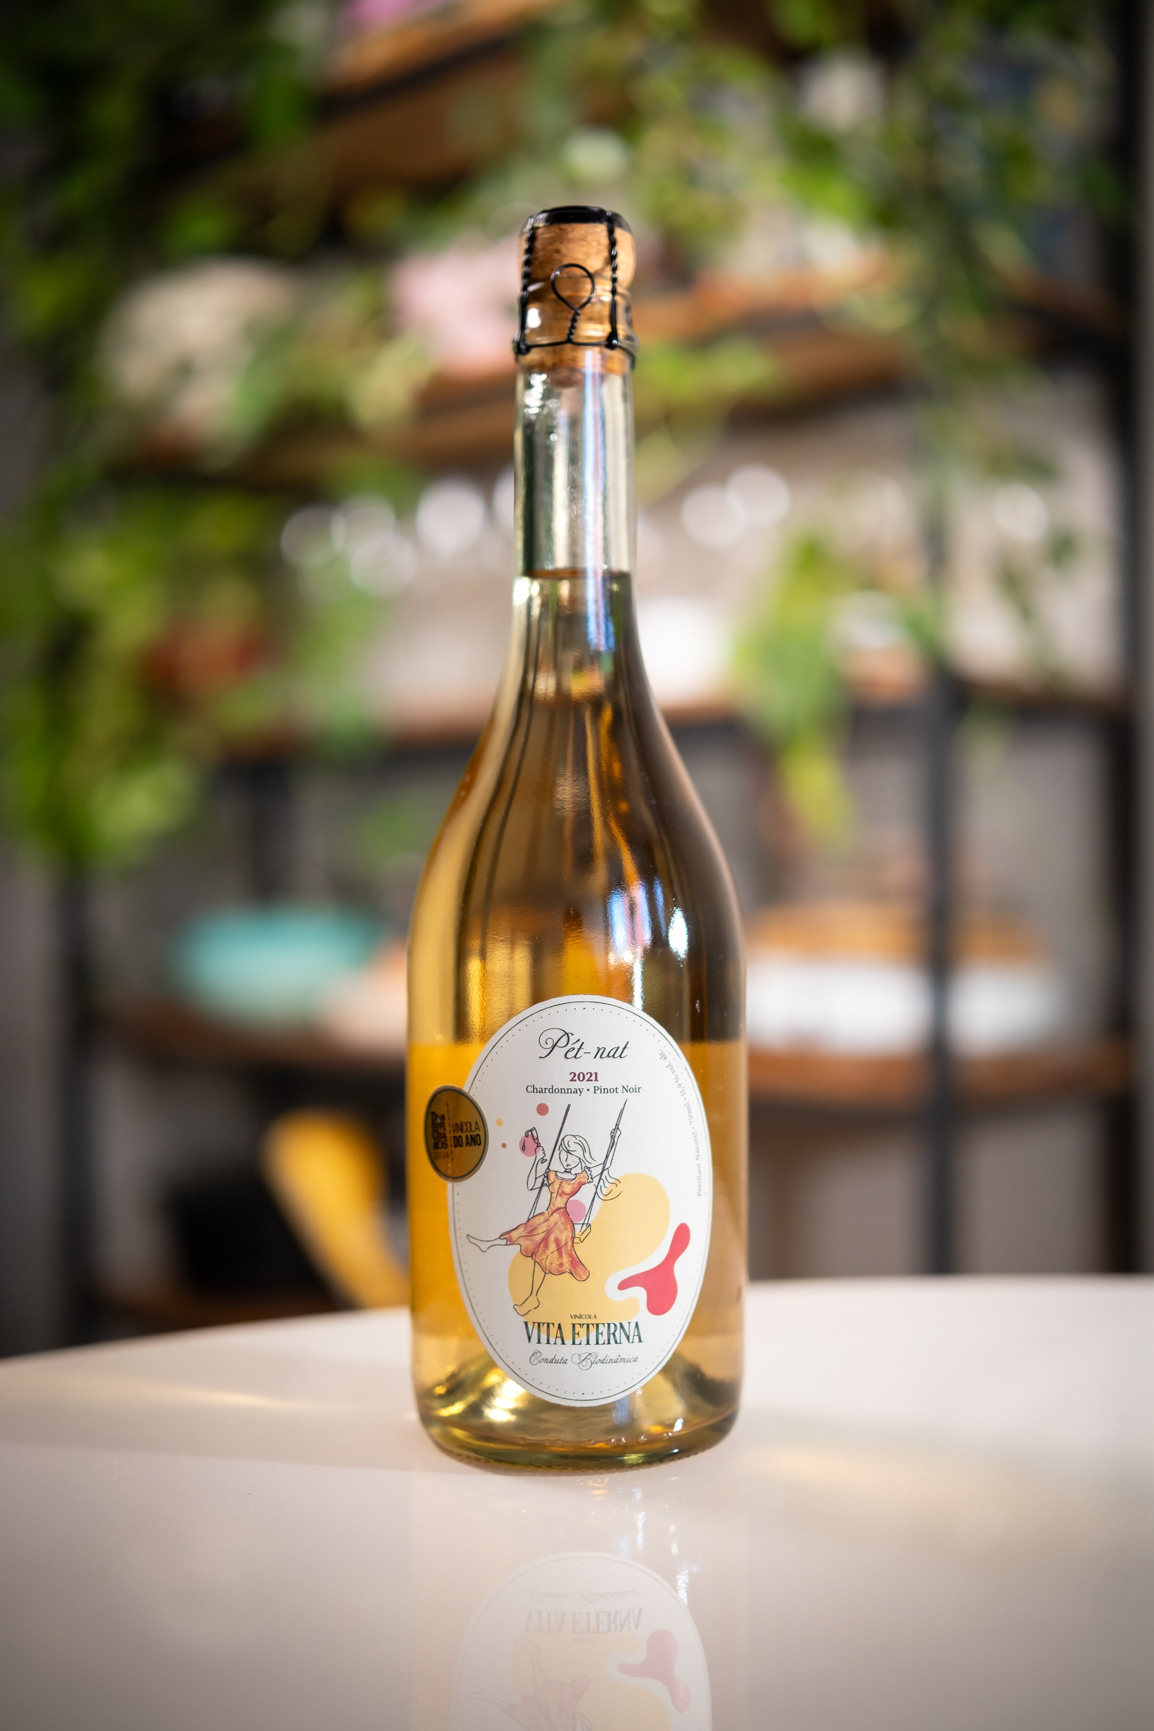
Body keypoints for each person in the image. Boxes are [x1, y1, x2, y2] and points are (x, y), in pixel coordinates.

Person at [467, 1130, 593, 1316]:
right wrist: (537, 1161)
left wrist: (614, 1139)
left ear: (580, 1158)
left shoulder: (580, 1178)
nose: (567, 1159)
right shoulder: (552, 1175)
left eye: (572, 1155)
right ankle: (490, 1244)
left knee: (543, 1255)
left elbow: (602, 1168)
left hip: (561, 1224)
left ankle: (534, 1297)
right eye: (564, 1153)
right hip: (548, 1217)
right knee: (522, 1232)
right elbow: (532, 1184)